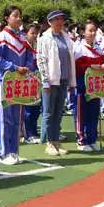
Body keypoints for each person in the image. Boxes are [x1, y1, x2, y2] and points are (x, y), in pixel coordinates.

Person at [0, 6, 37, 164]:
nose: (19, 18)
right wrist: (14, 67)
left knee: (17, 118)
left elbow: (30, 56)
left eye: (20, 16)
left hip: (19, 81)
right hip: (5, 82)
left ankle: (15, 151)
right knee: (6, 118)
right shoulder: (2, 36)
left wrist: (26, 67)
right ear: (7, 18)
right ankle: (4, 153)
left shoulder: (23, 37)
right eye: (15, 15)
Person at [37, 10, 75, 156]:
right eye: (56, 19)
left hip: (64, 80)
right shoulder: (44, 38)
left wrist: (72, 82)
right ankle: (48, 142)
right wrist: (45, 81)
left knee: (58, 112)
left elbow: (70, 60)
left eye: (61, 19)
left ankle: (55, 141)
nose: (59, 22)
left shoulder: (66, 37)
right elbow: (41, 61)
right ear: (49, 22)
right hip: (51, 81)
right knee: (48, 112)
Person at [73, 19, 104, 152]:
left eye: (94, 30)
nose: (93, 33)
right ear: (83, 32)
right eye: (90, 30)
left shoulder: (98, 48)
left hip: (95, 86)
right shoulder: (78, 48)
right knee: (81, 113)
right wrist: (92, 66)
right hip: (82, 84)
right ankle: (81, 140)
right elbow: (77, 67)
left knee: (94, 113)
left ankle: (92, 139)